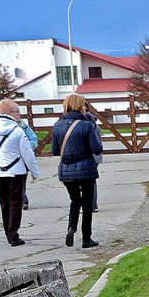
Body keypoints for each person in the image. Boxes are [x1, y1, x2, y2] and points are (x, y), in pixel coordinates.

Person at [0, 98, 40, 247]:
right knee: (15, 204)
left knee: (4, 203)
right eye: (17, 111)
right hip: (16, 172)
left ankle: (9, 233)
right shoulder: (17, 130)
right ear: (9, 113)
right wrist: (35, 172)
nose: (19, 115)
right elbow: (27, 154)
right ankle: (13, 235)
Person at [51, 94, 103, 248]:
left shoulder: (57, 126)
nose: (85, 107)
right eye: (84, 105)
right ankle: (86, 238)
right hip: (86, 169)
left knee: (74, 201)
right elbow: (97, 149)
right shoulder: (86, 125)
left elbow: (55, 151)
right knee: (87, 204)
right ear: (80, 106)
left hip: (67, 170)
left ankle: (71, 229)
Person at [18, 116, 39, 210]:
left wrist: (26, 146)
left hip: (23, 159)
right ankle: (20, 200)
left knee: (21, 182)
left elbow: (34, 139)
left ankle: (23, 201)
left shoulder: (24, 126)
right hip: (7, 160)